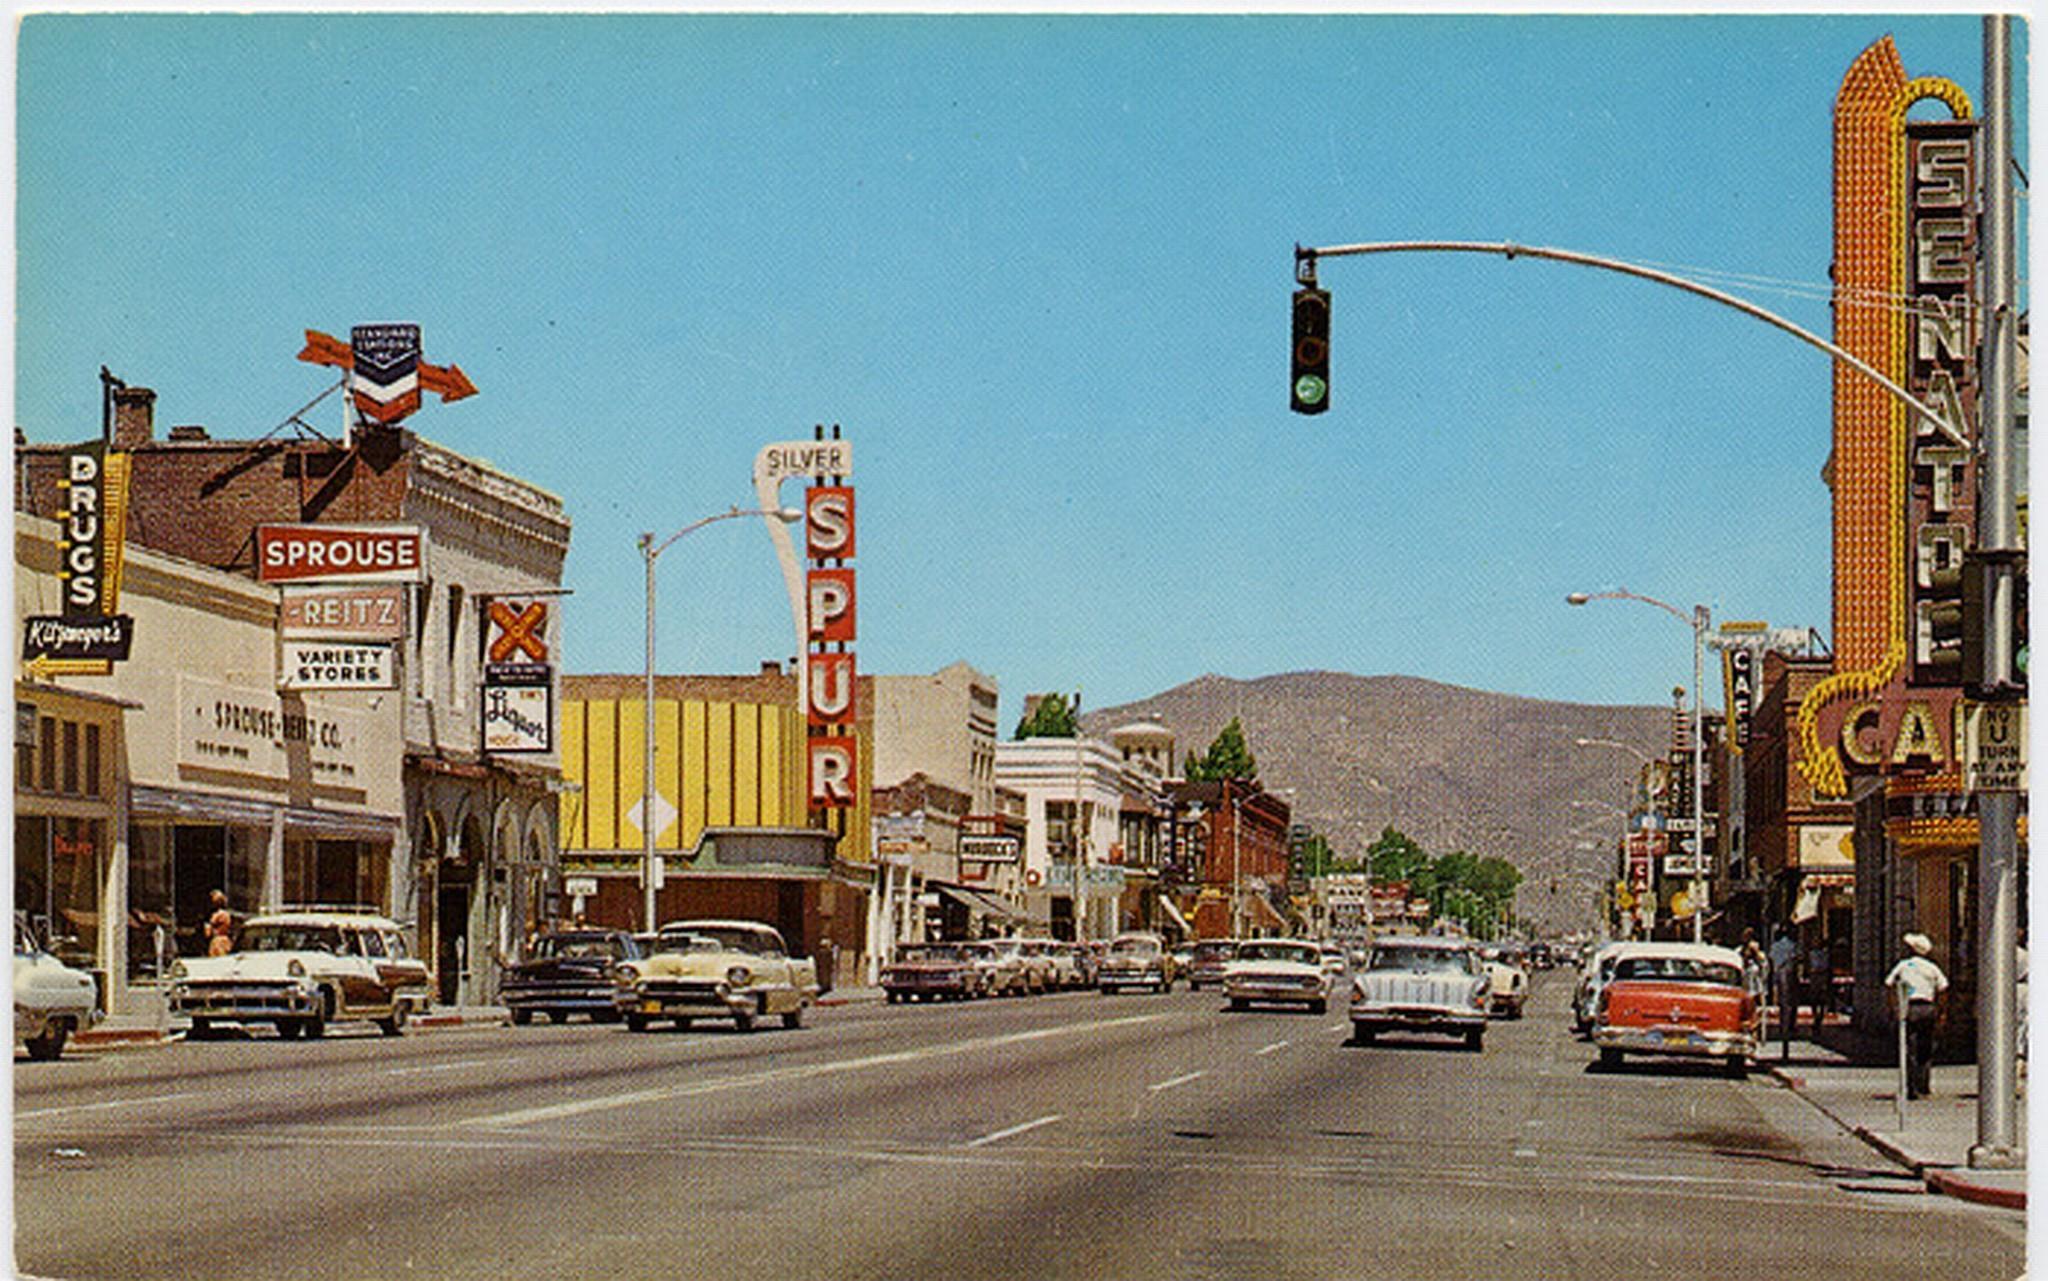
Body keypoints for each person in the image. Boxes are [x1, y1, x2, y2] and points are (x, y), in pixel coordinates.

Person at [1884, 932, 1948, 1100]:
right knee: (1925, 1048)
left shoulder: (1903, 966)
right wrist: (1941, 1012)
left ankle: (1910, 1087)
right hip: (1928, 1007)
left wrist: (1894, 1008)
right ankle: (1924, 1086)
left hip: (1909, 1008)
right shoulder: (1932, 967)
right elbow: (1943, 988)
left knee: (1909, 1048)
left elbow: (1889, 984)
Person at [1768, 927, 1799, 1040]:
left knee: (1782, 1001)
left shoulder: (1774, 946)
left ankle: (1782, 1024)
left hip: (1778, 973)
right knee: (1791, 1001)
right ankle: (1790, 1024)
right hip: (1790, 973)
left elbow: (1771, 959)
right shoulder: (1792, 945)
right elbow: (1796, 958)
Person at [205, 890, 235, 957]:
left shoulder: (217, 915)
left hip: (217, 942)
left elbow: (208, 933)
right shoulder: (227, 914)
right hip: (226, 941)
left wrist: (207, 926)